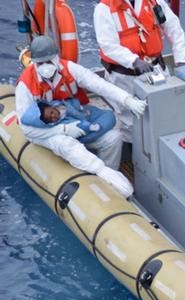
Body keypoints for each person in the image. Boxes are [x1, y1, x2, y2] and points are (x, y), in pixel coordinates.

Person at [15, 35, 147, 198]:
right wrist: (62, 130)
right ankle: (98, 171)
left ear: (56, 57)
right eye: (40, 63)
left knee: (114, 138)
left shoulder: (69, 69)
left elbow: (99, 85)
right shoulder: (26, 85)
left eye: (48, 61)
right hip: (47, 133)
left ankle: (107, 178)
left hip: (74, 120)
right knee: (64, 142)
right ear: (34, 63)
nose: (45, 66)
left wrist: (127, 99)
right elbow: (27, 130)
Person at [94, 0, 185, 142]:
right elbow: (108, 45)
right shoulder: (104, 9)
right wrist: (133, 61)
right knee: (130, 123)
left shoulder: (154, 2)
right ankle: (135, 159)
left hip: (156, 69)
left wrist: (182, 60)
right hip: (124, 77)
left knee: (167, 112)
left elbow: (174, 28)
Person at [32, 99, 116, 145]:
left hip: (90, 119)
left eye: (52, 112)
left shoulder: (65, 105)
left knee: (109, 116)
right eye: (50, 118)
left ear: (51, 106)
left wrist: (79, 107)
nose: (54, 116)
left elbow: (76, 105)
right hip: (83, 136)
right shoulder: (58, 125)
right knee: (114, 137)